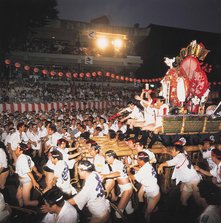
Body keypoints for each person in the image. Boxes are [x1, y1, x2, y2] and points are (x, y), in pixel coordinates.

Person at [129, 151, 160, 222]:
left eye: (137, 160)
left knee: (147, 214)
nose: (136, 161)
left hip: (154, 193)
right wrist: (133, 168)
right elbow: (141, 170)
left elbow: (133, 177)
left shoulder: (144, 169)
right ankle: (153, 210)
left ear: (142, 161)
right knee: (149, 205)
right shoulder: (147, 165)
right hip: (151, 188)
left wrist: (128, 171)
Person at [101, 150, 134, 218]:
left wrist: (105, 176)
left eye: (106, 157)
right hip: (122, 188)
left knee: (118, 213)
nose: (105, 159)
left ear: (112, 157)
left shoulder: (118, 163)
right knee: (129, 210)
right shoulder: (110, 165)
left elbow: (118, 173)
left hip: (127, 188)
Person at [15, 143, 42, 207]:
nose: (15, 150)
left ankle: (42, 204)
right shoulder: (27, 157)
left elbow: (28, 171)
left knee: (27, 202)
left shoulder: (22, 158)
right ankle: (23, 210)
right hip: (22, 181)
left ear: (20, 150)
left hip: (27, 181)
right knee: (18, 196)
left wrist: (34, 181)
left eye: (16, 148)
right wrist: (37, 173)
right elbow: (32, 166)